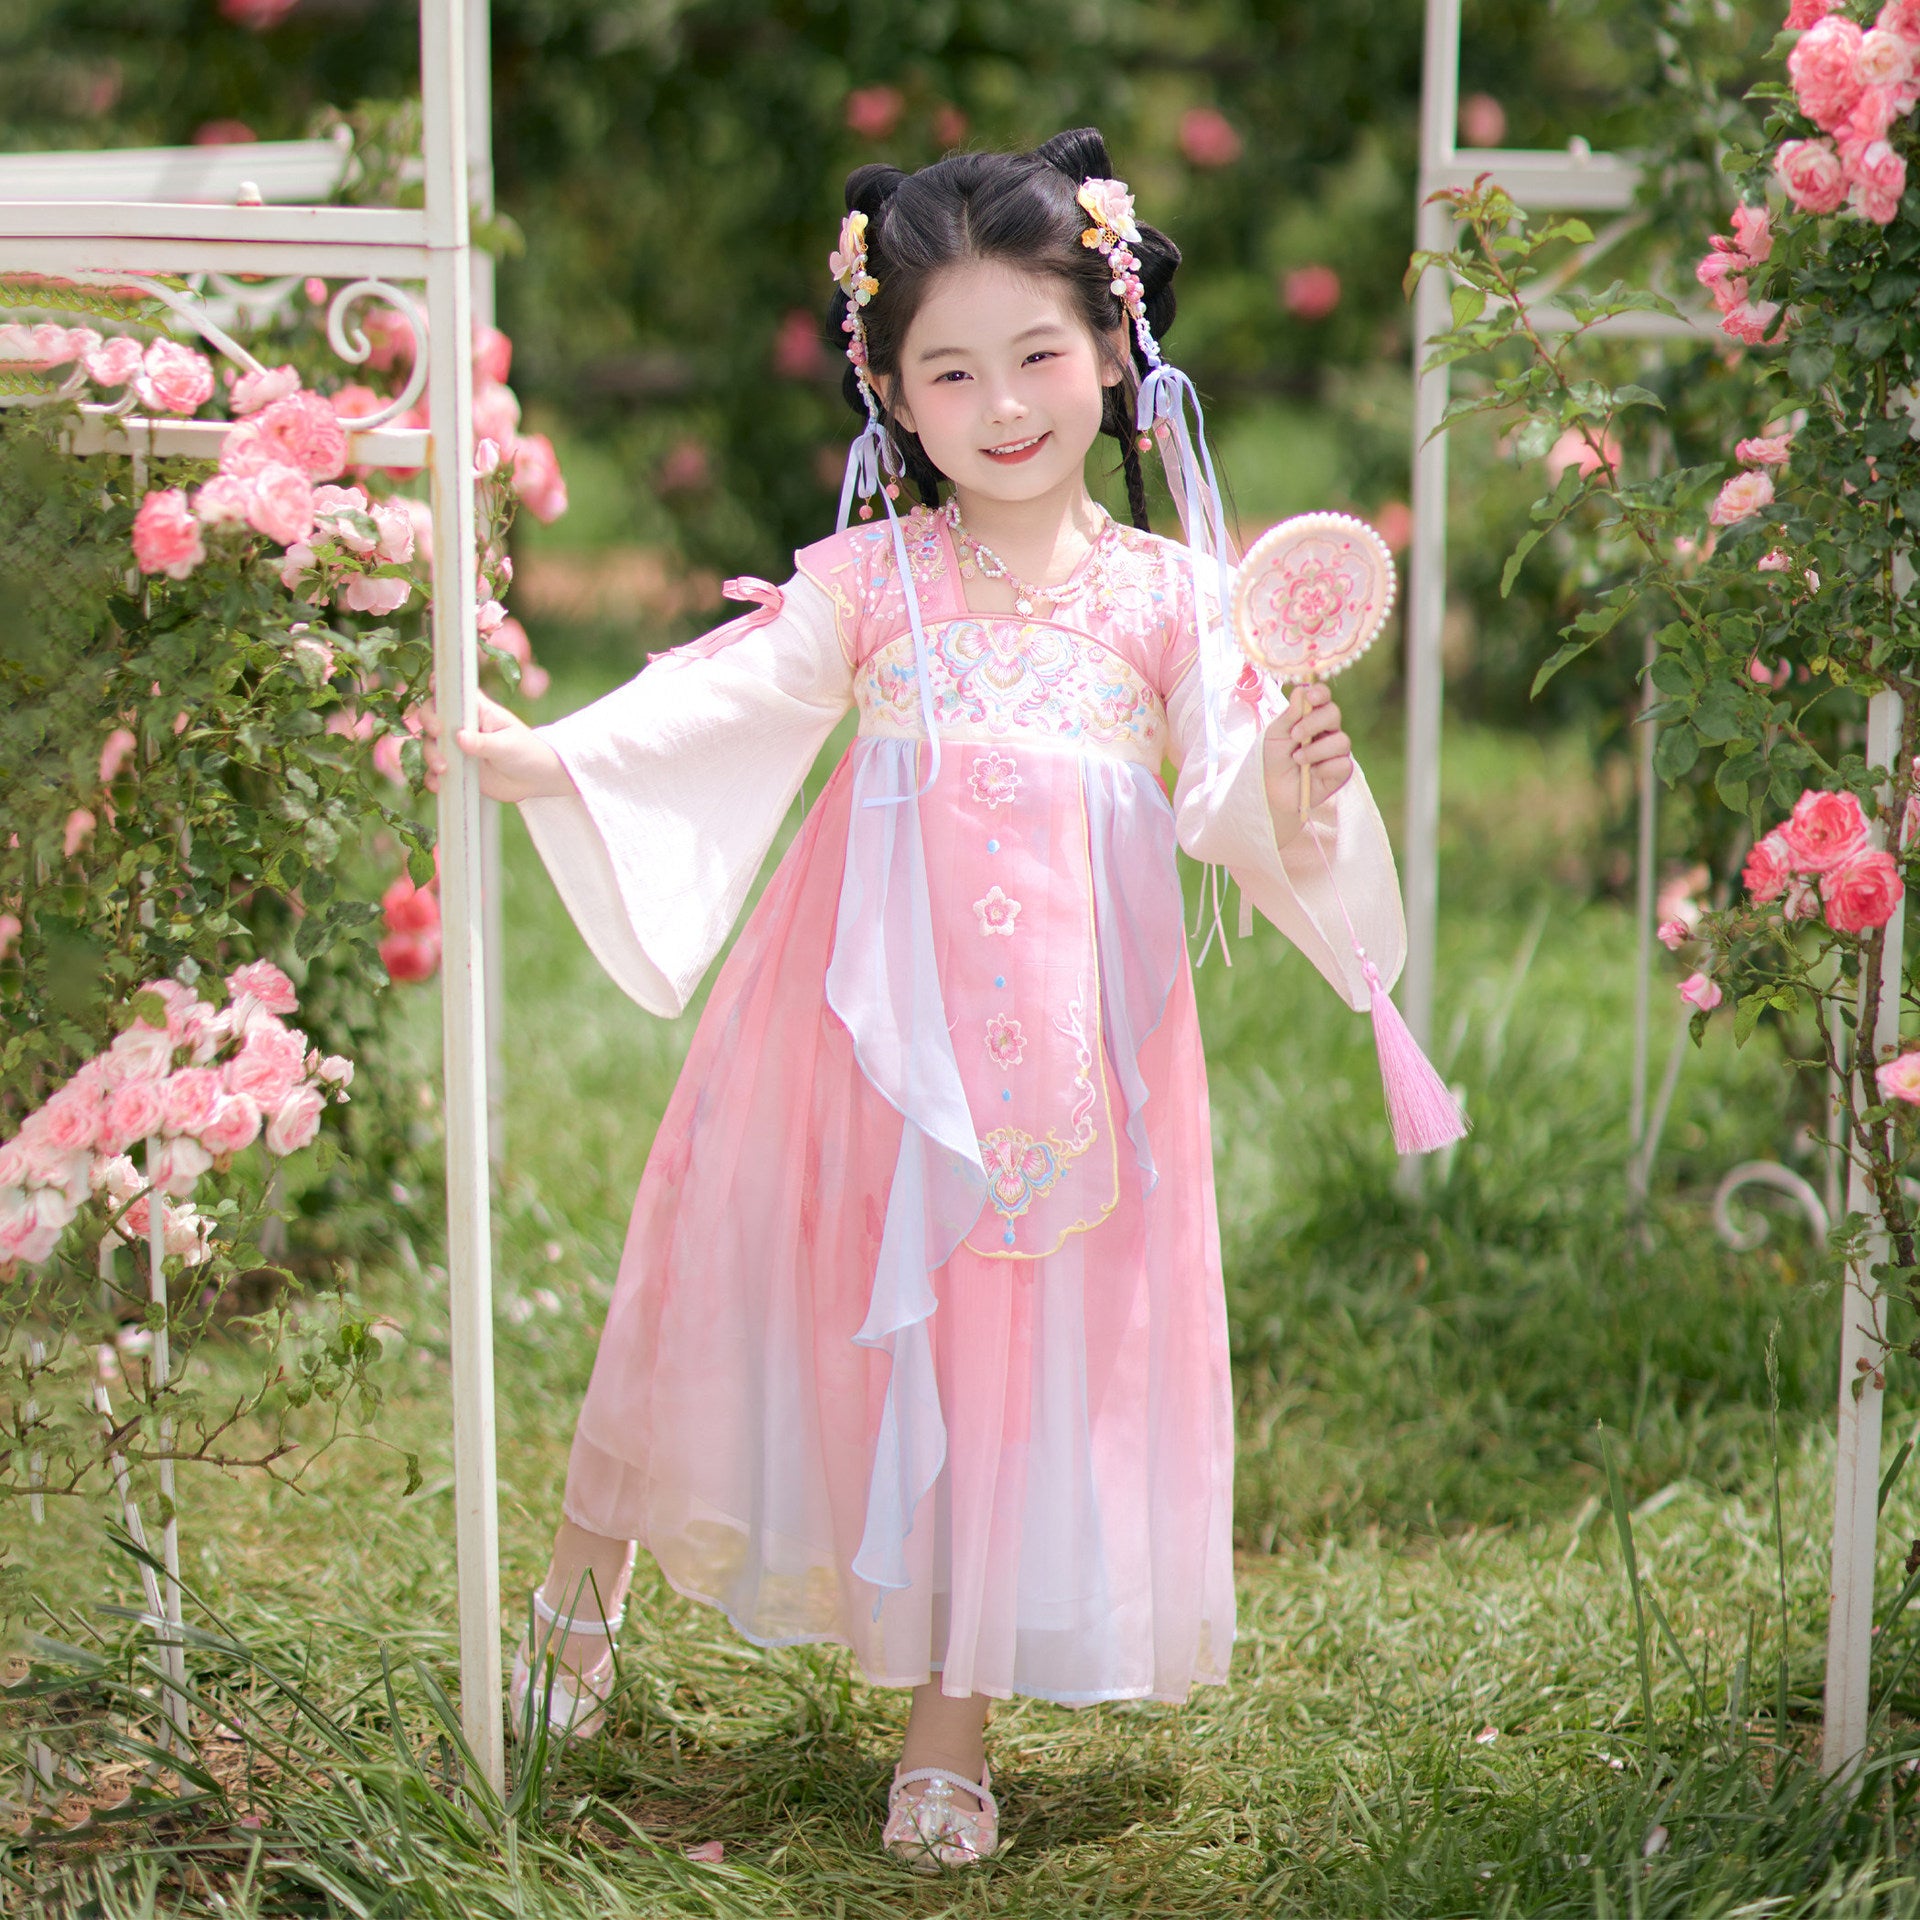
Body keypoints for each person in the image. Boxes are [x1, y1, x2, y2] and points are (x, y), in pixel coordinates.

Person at [452, 126, 1405, 1872]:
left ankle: (948, 1725)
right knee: (722, 1276)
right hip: (845, 1038)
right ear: (891, 390)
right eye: (949, 369)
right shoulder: (877, 583)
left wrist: (1296, 793)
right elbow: (724, 699)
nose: (1006, 402)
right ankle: (571, 1612)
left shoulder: (1172, 603)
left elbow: (1218, 794)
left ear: (1115, 348)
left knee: (1009, 1351)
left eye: (1039, 355)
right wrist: (550, 759)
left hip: (1062, 1067)